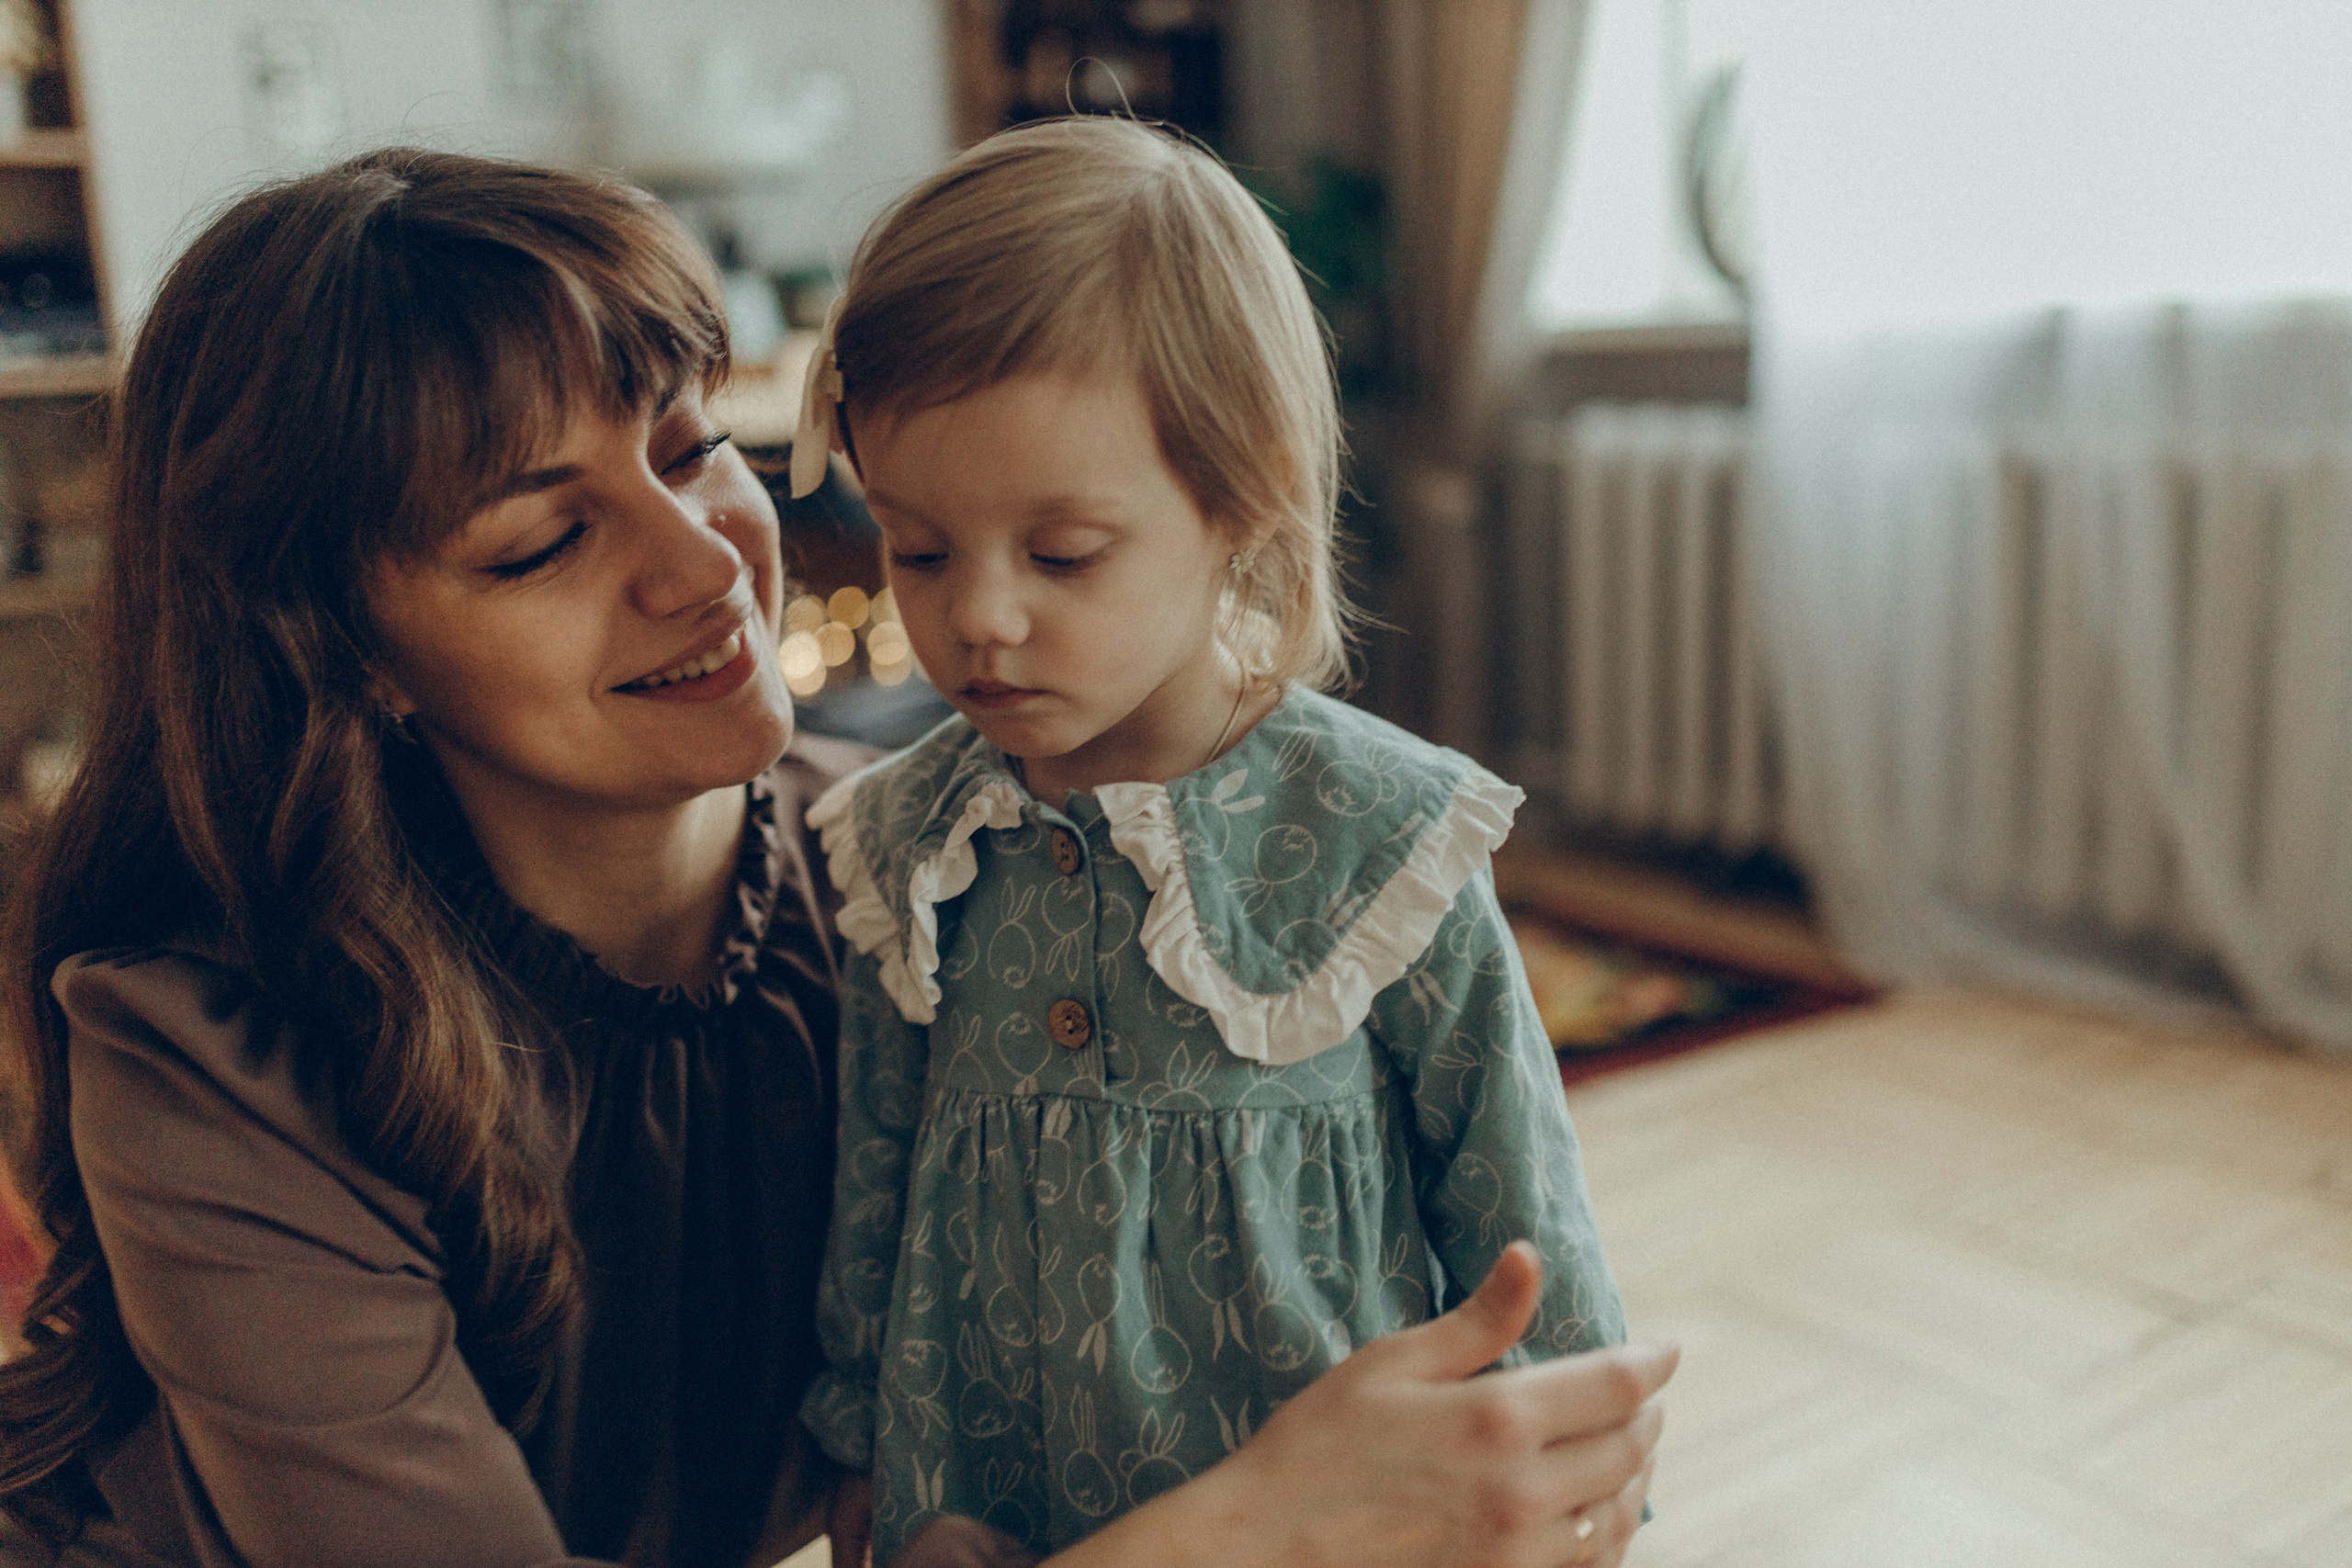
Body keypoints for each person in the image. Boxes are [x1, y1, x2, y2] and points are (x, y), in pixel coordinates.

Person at [0, 147, 1673, 1568]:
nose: (703, 564)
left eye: (688, 449)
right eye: (545, 539)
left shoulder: (920, 877)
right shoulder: (216, 1062)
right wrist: (1259, 1527)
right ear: (344, 648)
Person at [792, 119, 1632, 1568]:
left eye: (1062, 555)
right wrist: (858, 1430)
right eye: (919, 549)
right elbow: (876, 1160)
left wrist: (1565, 1469)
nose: (977, 616)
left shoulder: (1379, 834)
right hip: (985, 1484)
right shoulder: (907, 839)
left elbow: (1515, 1183)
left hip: (1324, 1502)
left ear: (1241, 505)